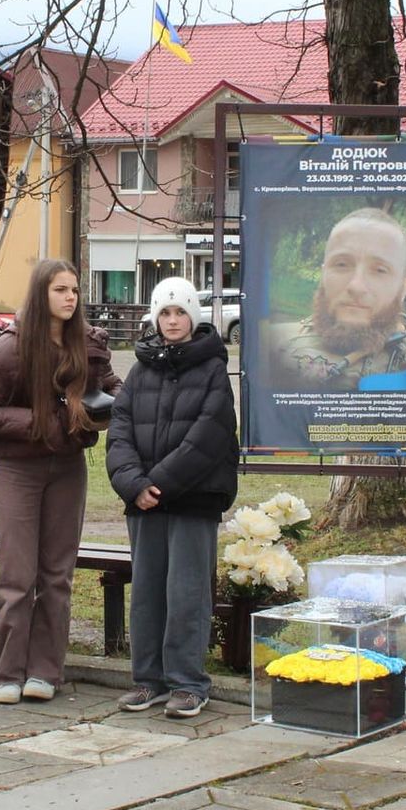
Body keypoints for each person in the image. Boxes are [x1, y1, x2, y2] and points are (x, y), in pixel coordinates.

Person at [0, 258, 120, 704]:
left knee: (58, 575)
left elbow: (112, 388)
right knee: (17, 577)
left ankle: (45, 671)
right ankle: (8, 672)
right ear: (41, 294)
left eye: (74, 290)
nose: (70, 298)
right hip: (19, 470)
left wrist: (104, 409)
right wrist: (43, 421)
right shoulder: (9, 349)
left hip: (68, 470)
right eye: (60, 290)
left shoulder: (89, 345)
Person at [106, 279, 236, 719]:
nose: (173, 321)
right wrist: (134, 484)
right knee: (146, 593)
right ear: (155, 318)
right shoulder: (141, 369)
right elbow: (119, 430)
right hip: (144, 502)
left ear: (193, 316)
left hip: (191, 499)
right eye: (165, 313)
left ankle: (187, 682)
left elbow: (209, 434)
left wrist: (156, 484)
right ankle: (149, 680)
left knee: (187, 593)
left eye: (180, 312)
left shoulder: (214, 367)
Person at [272, 208, 406, 389]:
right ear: (323, 275)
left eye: (379, 270)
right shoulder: (272, 345)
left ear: (404, 288)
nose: (356, 286)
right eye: (342, 264)